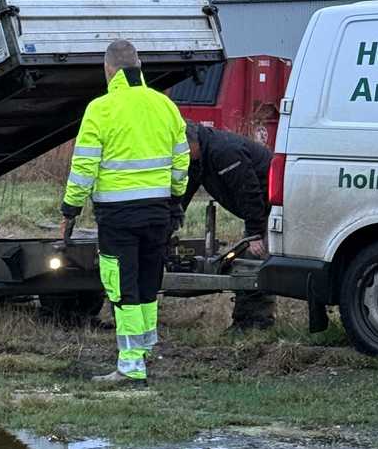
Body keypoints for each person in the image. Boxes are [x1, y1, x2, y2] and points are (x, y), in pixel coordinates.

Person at [60, 40, 189, 385]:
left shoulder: (100, 109)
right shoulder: (165, 106)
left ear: (108, 69)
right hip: (158, 213)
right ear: (139, 66)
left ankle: (131, 366)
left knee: (123, 289)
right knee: (148, 284)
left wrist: (70, 208)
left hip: (118, 217)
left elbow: (84, 166)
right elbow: (181, 161)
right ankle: (144, 352)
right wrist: (175, 197)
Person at [176, 120, 277, 331]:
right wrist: (171, 220)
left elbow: (249, 192)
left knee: (252, 261)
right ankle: (244, 319)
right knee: (247, 259)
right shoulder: (198, 157)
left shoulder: (224, 152)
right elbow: (184, 192)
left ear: (191, 143)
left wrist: (254, 234)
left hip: (272, 205)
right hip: (259, 208)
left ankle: (255, 322)